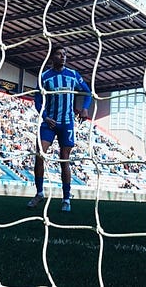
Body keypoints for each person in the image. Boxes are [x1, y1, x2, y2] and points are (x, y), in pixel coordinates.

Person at [28, 46, 92, 213]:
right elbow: (37, 99)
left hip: (67, 123)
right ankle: (40, 193)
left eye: (65, 54)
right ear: (52, 57)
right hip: (49, 122)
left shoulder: (73, 75)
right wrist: (44, 117)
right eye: (59, 54)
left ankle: (66, 198)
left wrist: (85, 108)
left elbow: (87, 92)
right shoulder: (44, 77)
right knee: (39, 154)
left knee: (64, 159)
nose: (63, 57)